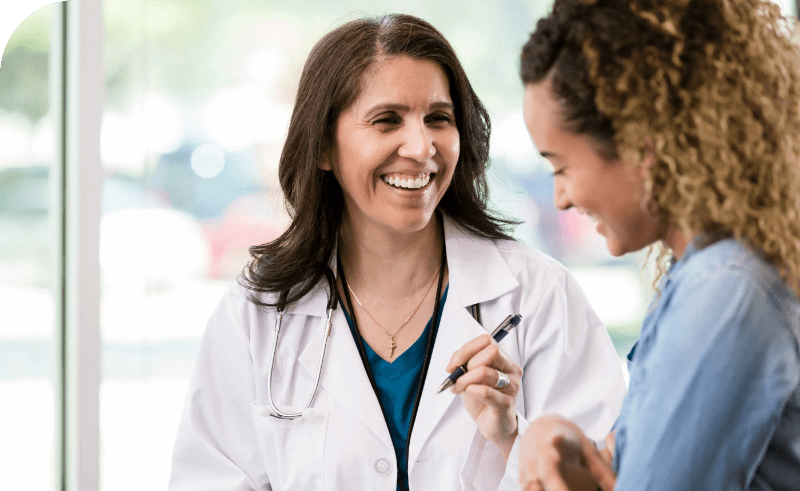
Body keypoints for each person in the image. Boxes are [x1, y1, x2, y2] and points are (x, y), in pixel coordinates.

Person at [168, 13, 625, 491]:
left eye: (439, 119)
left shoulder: (538, 299)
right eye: (387, 120)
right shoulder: (258, 315)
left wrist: (513, 437)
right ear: (324, 146)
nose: (421, 145)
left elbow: (606, 475)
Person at [516, 0, 800, 489]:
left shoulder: (726, 292)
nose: (560, 199)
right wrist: (554, 436)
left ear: (640, 148)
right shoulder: (705, 274)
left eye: (561, 167)